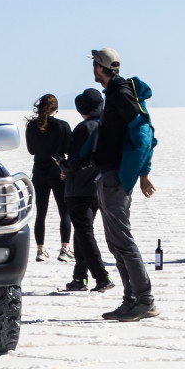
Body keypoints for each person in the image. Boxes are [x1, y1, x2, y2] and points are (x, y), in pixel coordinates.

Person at [89, 48, 158, 322]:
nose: (92, 69)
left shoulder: (120, 94)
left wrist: (140, 172)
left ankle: (145, 299)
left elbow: (145, 134)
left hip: (116, 176)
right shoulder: (115, 93)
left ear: (99, 67)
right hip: (110, 173)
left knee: (123, 241)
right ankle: (131, 300)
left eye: (94, 64)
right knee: (116, 242)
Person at [58, 88, 111, 293]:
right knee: (82, 234)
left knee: (85, 234)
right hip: (99, 188)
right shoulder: (107, 126)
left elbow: (74, 160)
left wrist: (63, 166)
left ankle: (101, 276)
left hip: (78, 188)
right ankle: (80, 278)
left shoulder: (83, 128)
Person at [24, 94, 72, 263]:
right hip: (58, 172)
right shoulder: (62, 126)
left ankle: (40, 250)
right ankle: (65, 249)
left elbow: (31, 150)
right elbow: (69, 149)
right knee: (64, 212)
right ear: (55, 109)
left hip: (39, 172)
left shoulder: (31, 126)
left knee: (41, 213)